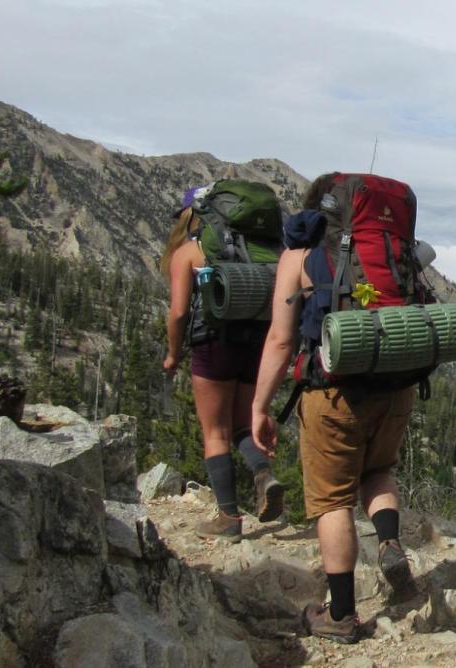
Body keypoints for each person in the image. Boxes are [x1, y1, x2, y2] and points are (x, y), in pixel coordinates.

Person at [251, 174, 416, 644]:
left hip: (333, 394)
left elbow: (281, 339)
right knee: (379, 470)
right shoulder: (393, 253)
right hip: (396, 387)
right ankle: (388, 541)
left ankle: (341, 614)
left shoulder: (300, 259)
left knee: (332, 500)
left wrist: (260, 407)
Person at [161, 186, 285, 541]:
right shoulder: (260, 252)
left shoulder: (190, 252)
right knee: (245, 423)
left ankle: (228, 518)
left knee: (215, 432)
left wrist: (173, 354)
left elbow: (180, 312)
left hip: (213, 344)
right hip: (258, 343)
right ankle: (264, 473)